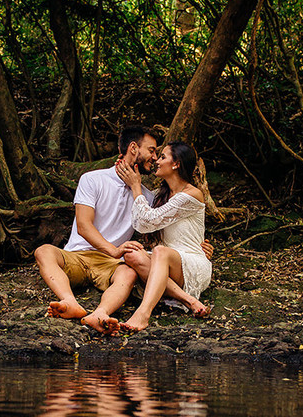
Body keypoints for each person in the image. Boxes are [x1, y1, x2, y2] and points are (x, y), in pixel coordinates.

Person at [33, 126, 159, 335]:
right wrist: (113, 249)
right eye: (152, 150)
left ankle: (100, 313)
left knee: (128, 273)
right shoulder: (93, 179)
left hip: (111, 264)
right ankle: (69, 302)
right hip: (78, 255)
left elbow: (160, 229)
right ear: (134, 148)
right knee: (44, 251)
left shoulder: (146, 196)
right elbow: (83, 226)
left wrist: (196, 247)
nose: (154, 157)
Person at [115, 141, 212, 332]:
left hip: (193, 264)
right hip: (166, 261)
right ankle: (188, 300)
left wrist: (136, 186)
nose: (157, 161)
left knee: (161, 252)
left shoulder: (191, 195)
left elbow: (146, 222)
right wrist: (126, 163)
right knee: (132, 254)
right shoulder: (162, 195)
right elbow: (145, 214)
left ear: (176, 164)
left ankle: (143, 313)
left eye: (162, 157)